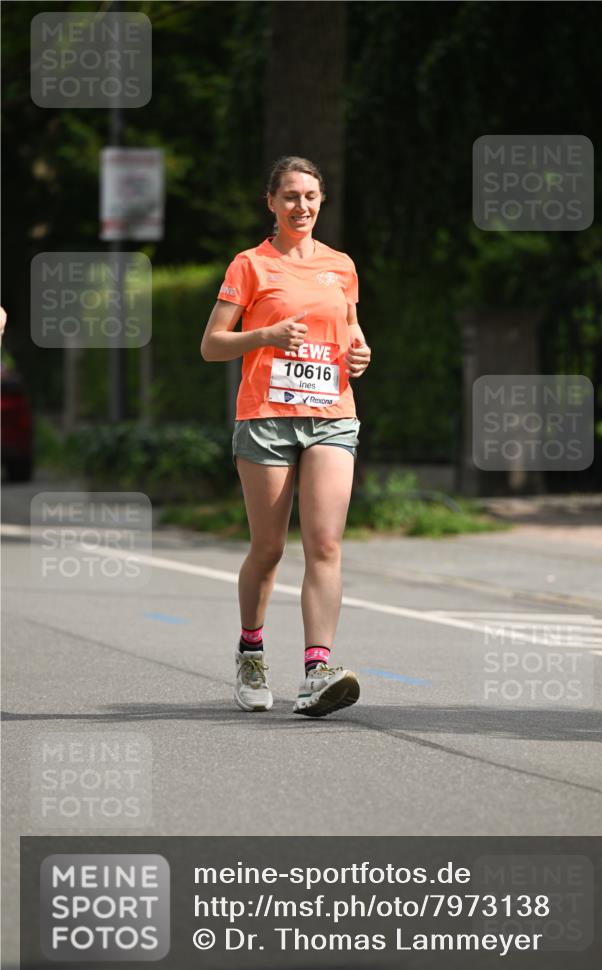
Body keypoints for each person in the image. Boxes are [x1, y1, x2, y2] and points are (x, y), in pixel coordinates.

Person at [201, 155, 371, 718]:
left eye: (311, 197)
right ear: (271, 203)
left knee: (324, 543)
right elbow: (212, 344)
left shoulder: (341, 266)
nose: (302, 206)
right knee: (269, 549)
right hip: (266, 417)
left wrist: (360, 352)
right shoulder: (251, 264)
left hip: (331, 412)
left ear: (323, 202)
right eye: (291, 196)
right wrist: (267, 333)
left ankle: (316, 671)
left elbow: (349, 330)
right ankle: (251, 651)